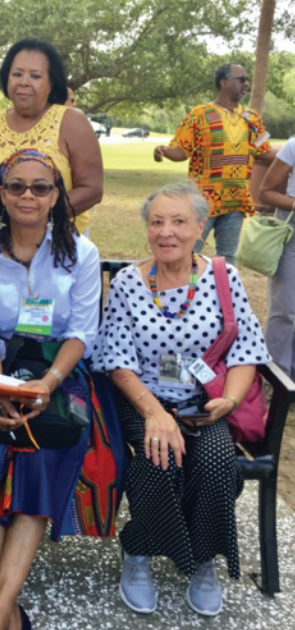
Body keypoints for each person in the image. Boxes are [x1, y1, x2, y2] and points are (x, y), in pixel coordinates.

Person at [93, 182, 270, 617]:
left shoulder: (222, 276)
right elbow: (117, 361)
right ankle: (137, 552)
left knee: (215, 463)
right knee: (158, 456)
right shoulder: (129, 284)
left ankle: (203, 559)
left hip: (204, 402)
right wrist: (155, 413)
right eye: (157, 222)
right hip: (143, 400)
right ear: (147, 229)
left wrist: (228, 401)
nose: (166, 232)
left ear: (200, 227)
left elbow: (246, 348)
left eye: (178, 222)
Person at [0, 149, 102, 630]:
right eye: (16, 185)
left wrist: (47, 383)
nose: (28, 195)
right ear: (0, 193)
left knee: (42, 450)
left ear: (57, 195)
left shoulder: (81, 253)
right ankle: (9, 613)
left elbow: (81, 331)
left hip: (57, 373)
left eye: (41, 187)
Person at [0, 38, 102, 240]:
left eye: (35, 76)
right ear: (6, 78)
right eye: (17, 74)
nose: (24, 82)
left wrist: (30, 220)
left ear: (51, 83)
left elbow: (92, 190)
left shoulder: (72, 121)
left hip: (60, 247)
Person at [153, 63, 276, 264]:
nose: (246, 83)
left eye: (247, 80)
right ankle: (181, 292)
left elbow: (264, 151)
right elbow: (182, 150)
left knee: (227, 260)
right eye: (241, 79)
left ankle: (222, 295)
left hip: (235, 201)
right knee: (186, 253)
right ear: (224, 82)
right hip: (202, 201)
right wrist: (164, 151)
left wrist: (290, 156)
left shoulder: (251, 118)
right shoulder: (200, 114)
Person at [259, 136, 295, 378]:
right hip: (291, 234)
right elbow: (266, 192)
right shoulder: (293, 146)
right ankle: (277, 378)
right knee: (285, 309)